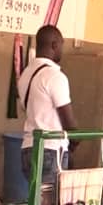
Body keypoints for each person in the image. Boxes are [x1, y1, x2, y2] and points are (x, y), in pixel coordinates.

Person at [17, 24, 78, 184]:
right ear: (54, 45)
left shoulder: (25, 75)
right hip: (51, 151)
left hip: (28, 149)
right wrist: (75, 144)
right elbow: (69, 123)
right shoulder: (55, 76)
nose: (62, 51)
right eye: (61, 45)